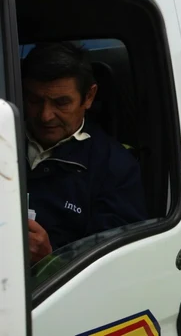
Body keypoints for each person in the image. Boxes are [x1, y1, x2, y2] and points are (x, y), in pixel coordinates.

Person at [23, 42, 147, 264]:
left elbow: (113, 264)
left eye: (61, 103)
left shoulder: (115, 168)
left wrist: (50, 258)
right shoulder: (7, 140)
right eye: (35, 100)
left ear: (89, 97)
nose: (45, 116)